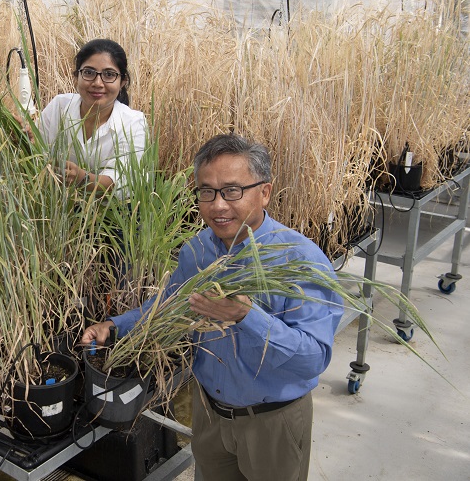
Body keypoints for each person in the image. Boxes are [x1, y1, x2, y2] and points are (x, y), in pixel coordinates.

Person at [82, 133, 343, 481]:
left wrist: (247, 317)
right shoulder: (199, 250)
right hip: (209, 414)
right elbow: (169, 304)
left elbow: (313, 358)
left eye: (233, 190)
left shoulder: (298, 260)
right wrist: (115, 326)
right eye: (207, 191)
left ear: (264, 192)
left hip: (271, 422)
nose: (218, 205)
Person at [38, 38, 147, 197]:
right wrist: (23, 136)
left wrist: (83, 179)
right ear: (76, 76)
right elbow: (38, 150)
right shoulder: (59, 106)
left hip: (111, 216)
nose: (97, 83)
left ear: (122, 81)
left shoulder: (133, 122)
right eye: (88, 72)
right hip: (57, 209)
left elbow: (123, 181)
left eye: (109, 75)